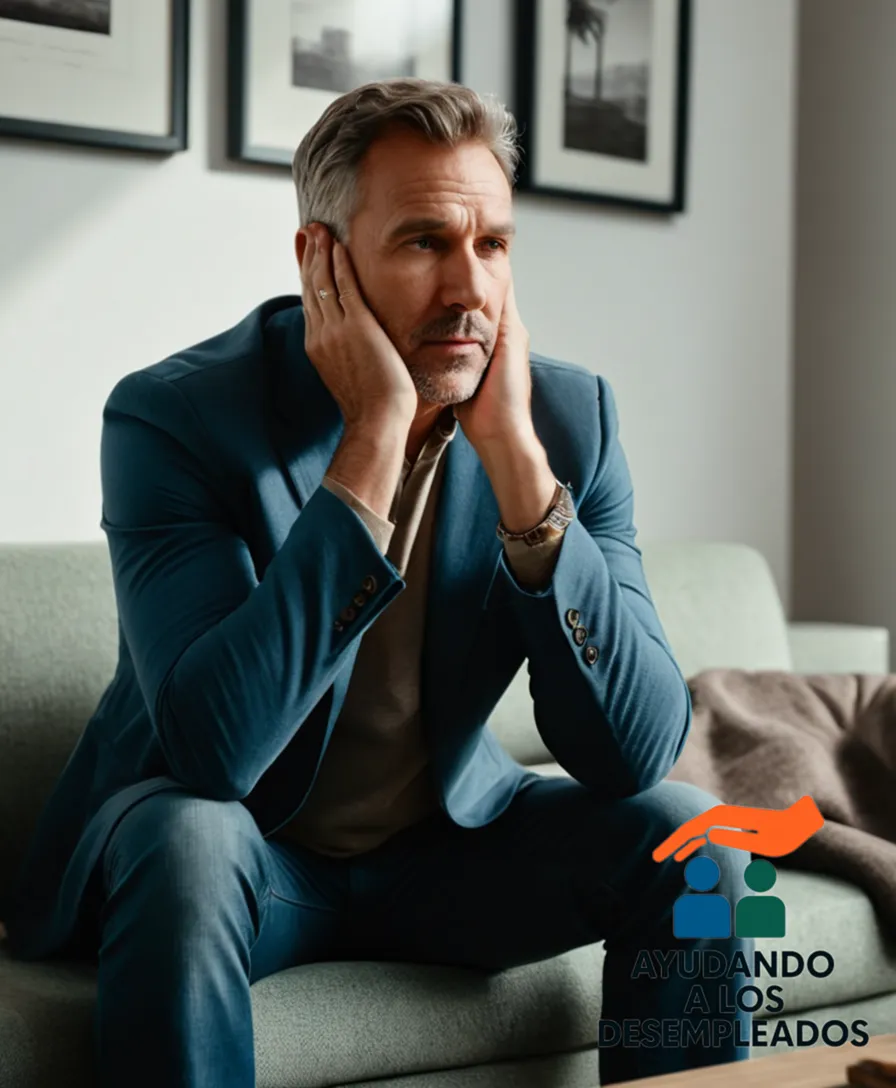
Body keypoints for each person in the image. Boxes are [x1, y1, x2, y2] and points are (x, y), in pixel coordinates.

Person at [4, 78, 752, 1086]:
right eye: (423, 242)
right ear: (323, 259)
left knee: (692, 836)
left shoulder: (567, 421)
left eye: (492, 244)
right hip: (243, 861)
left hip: (446, 855)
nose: (469, 287)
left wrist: (519, 470)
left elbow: (634, 751)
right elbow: (214, 751)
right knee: (190, 837)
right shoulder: (175, 420)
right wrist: (372, 442)